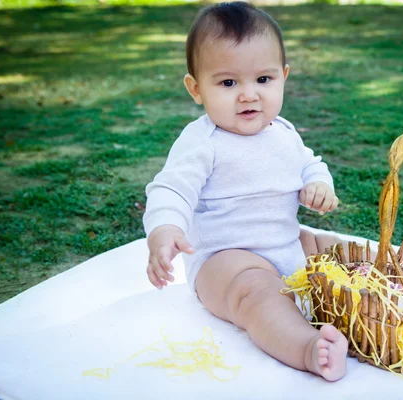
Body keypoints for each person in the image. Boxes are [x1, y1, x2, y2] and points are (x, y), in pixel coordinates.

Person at [143, 1, 348, 381]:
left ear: (283, 77)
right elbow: (172, 188)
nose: (249, 95)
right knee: (257, 293)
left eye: (263, 80)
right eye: (228, 83)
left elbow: (309, 163)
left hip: (284, 245)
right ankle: (306, 347)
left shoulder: (283, 132)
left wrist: (319, 184)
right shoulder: (203, 142)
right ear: (196, 88)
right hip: (226, 260)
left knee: (332, 246)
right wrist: (165, 229)